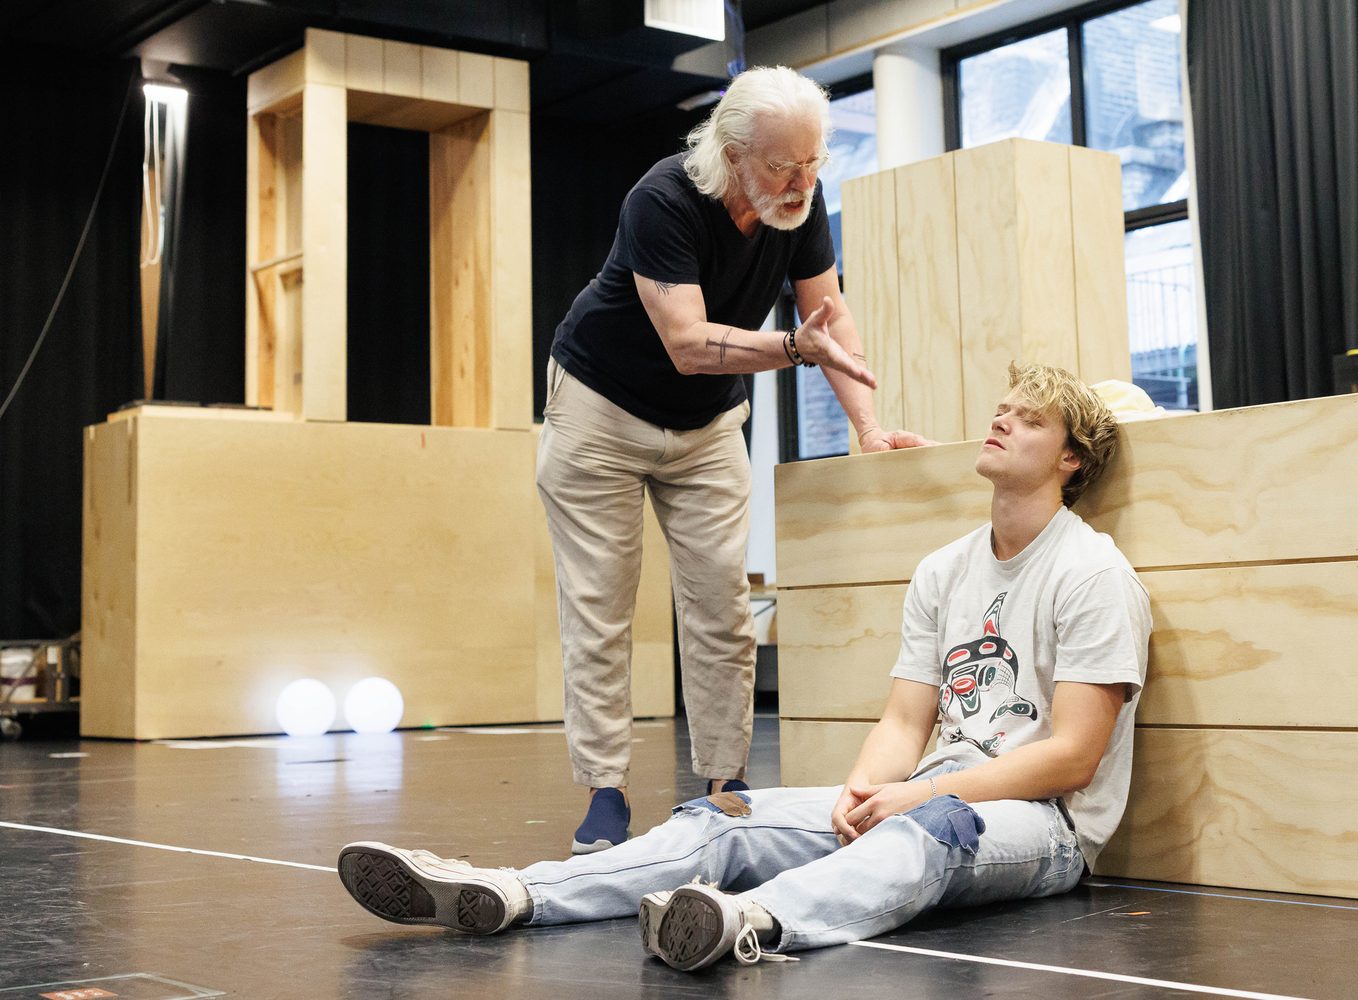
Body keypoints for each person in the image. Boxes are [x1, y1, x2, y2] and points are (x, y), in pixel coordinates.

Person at [339, 363, 1152, 971]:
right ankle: (516, 892)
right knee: (721, 817)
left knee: (925, 830)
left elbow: (1072, 756)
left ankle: (748, 921)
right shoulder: (945, 569)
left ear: (1072, 460)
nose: (1000, 422)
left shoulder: (1093, 574)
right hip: (926, 788)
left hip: (1044, 828)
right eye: (1002, 409)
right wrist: (861, 790)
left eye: (1029, 419)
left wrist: (915, 796)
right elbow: (906, 718)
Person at [537, 65, 929, 855]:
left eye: (814, 161)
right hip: (602, 408)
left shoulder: (801, 205)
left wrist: (868, 426)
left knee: (721, 605)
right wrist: (790, 348)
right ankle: (605, 793)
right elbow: (687, 344)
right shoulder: (662, 199)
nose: (802, 180)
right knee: (602, 608)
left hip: (707, 423)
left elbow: (830, 316)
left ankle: (725, 785)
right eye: (784, 165)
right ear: (733, 153)